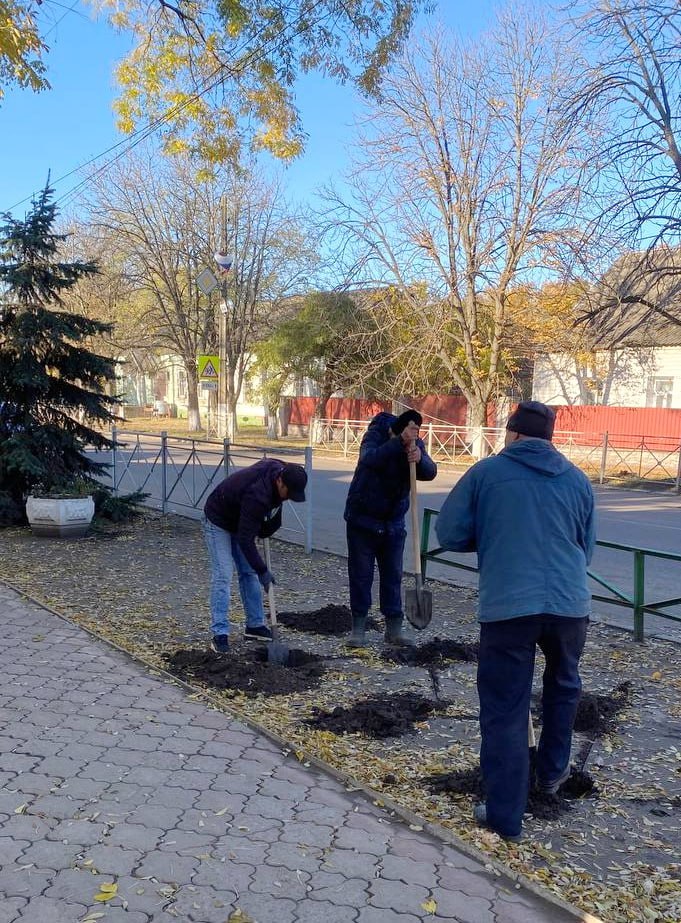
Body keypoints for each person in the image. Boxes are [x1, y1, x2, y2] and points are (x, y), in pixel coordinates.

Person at [435, 400, 595, 842]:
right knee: (563, 689)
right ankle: (550, 775)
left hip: (510, 606)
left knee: (506, 708)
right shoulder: (578, 480)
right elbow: (587, 547)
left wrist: (493, 536)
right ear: (549, 437)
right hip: (570, 606)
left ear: (513, 433)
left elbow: (448, 534)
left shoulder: (487, 474)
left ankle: (505, 817)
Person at [344, 409, 437, 648]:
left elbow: (430, 472)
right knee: (361, 575)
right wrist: (398, 444)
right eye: (409, 431)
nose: (413, 435)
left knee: (392, 576)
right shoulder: (375, 436)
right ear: (395, 430)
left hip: (393, 523)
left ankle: (394, 628)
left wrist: (420, 458)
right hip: (362, 519)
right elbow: (369, 459)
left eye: (416, 431)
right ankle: (358, 628)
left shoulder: (415, 443)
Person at [203, 458, 308, 654]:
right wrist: (263, 570)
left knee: (248, 573)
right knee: (224, 575)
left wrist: (268, 526)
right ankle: (220, 634)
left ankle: (255, 625)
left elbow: (275, 509)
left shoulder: (281, 470)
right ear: (280, 482)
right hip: (218, 519)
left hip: (241, 518)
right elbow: (245, 539)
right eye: (289, 493)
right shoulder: (257, 495)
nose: (289, 498)